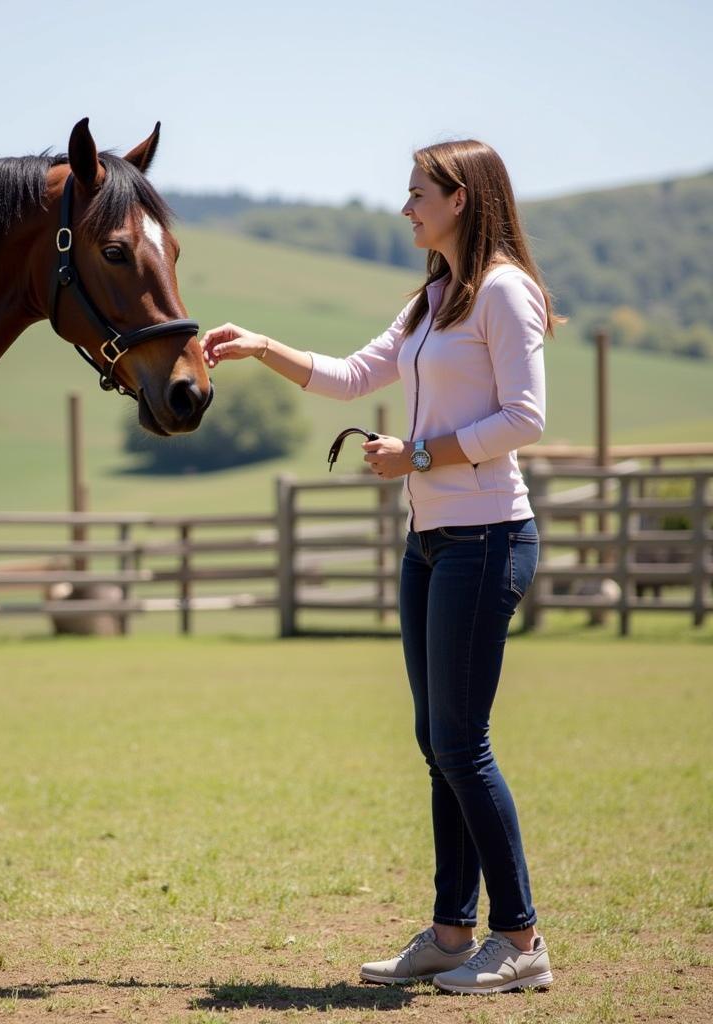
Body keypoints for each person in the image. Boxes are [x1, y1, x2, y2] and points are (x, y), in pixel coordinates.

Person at [200, 139, 558, 995]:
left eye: (417, 194)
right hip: (431, 545)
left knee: (460, 745)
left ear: (461, 200)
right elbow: (352, 375)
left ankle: (521, 941)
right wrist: (261, 346)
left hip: (487, 540)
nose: (405, 208)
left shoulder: (505, 292)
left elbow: (528, 417)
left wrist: (423, 454)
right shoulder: (434, 299)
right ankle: (448, 930)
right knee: (436, 745)